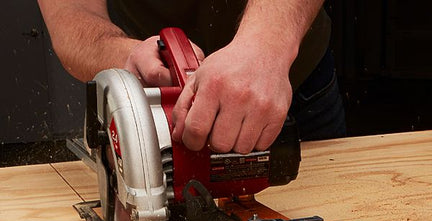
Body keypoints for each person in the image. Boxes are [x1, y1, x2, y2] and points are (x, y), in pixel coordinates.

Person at [37, 0, 346, 153]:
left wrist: (266, 43)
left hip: (289, 80)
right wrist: (127, 57)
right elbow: (72, 15)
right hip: (154, 105)